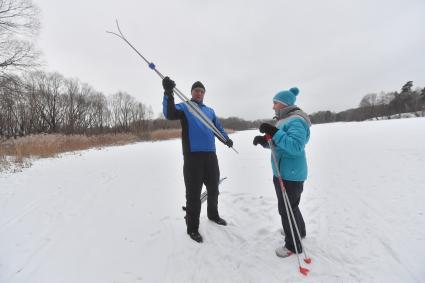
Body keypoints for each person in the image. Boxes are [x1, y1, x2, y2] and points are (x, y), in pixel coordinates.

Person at [162, 76, 233, 243]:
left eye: (202, 91)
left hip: (210, 156)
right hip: (192, 157)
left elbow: (218, 128)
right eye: (196, 91)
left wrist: (226, 139)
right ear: (192, 92)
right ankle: (192, 228)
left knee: (214, 188)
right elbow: (169, 113)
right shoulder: (186, 107)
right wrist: (168, 92)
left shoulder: (210, 111)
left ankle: (213, 215)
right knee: (193, 194)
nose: (199, 93)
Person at [253, 87, 311, 257]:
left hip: (290, 173)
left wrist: (274, 131)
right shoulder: (284, 120)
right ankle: (298, 232)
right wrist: (265, 141)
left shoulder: (296, 120)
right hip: (284, 171)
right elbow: (280, 143)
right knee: (291, 206)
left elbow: (295, 146)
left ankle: (293, 245)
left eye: (275, 102)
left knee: (286, 209)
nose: (273, 107)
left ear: (284, 103)